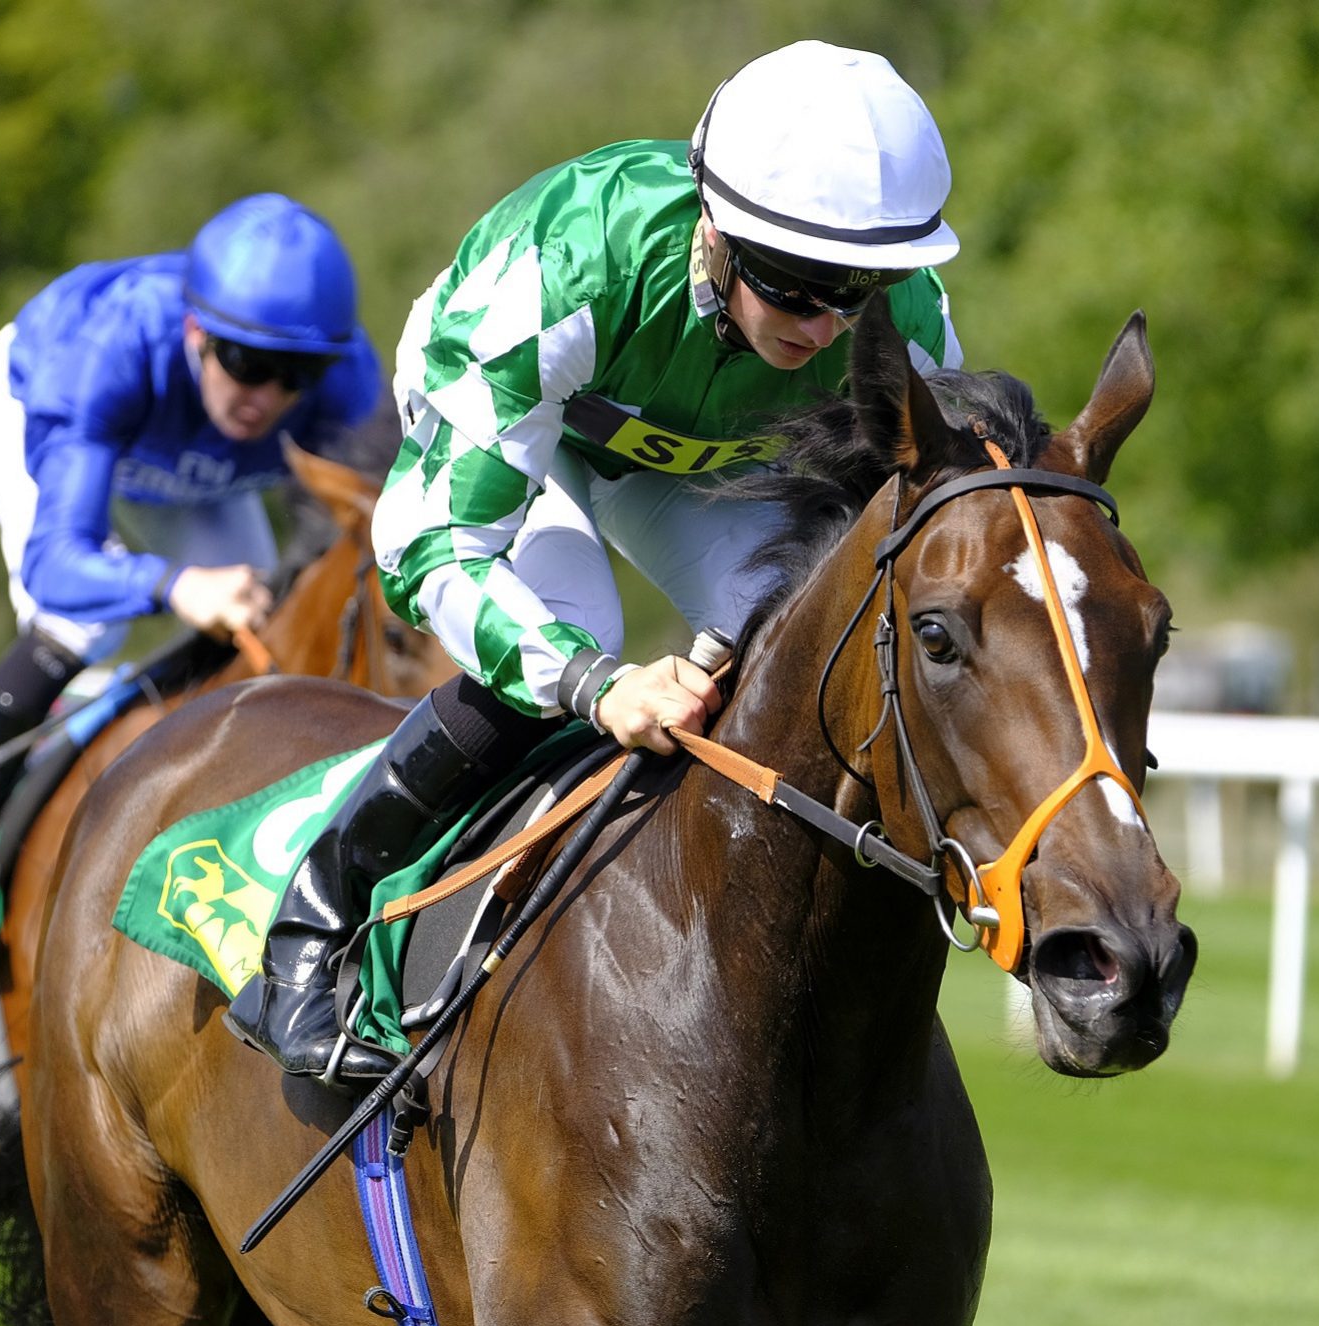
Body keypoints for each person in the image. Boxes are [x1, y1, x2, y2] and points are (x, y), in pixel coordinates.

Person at [225, 40, 966, 1080]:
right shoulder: (565, 267)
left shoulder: (907, 324)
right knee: (574, 630)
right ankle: (311, 928)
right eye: (799, 285)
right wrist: (594, 681)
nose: (828, 324)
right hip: (532, 419)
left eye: (864, 289)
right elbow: (430, 547)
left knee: (794, 620)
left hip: (689, 457)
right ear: (715, 222)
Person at [0, 193, 383, 947]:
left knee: (263, 613)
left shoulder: (346, 383)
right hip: (43, 402)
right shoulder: (110, 351)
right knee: (90, 618)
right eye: (247, 365)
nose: (268, 397)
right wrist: (174, 584)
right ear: (196, 332)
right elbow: (57, 562)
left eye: (296, 375)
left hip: (189, 462)